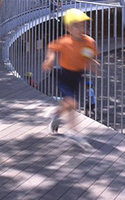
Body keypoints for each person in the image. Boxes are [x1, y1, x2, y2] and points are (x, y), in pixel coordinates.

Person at [42, 8, 99, 145]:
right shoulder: (64, 41)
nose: (81, 28)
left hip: (78, 75)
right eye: (76, 25)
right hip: (64, 75)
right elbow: (51, 48)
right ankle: (75, 132)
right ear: (68, 28)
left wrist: (94, 65)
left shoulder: (89, 42)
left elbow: (90, 58)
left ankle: (56, 114)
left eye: (83, 25)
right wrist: (49, 59)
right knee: (72, 103)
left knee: (68, 103)